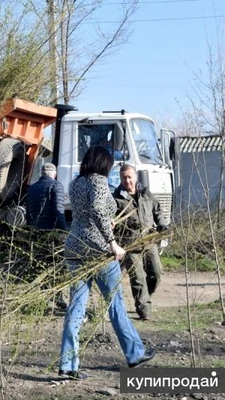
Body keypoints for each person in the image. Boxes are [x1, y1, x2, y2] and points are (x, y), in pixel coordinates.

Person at [59, 146, 154, 380]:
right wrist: (112, 243)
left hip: (75, 248)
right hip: (99, 251)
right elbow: (98, 212)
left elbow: (86, 214)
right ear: (103, 164)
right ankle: (134, 354)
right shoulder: (99, 182)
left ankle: (67, 364)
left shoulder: (75, 183)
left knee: (76, 308)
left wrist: (106, 222)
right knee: (115, 305)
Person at [113, 164, 169, 321]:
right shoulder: (117, 198)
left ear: (135, 177)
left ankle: (146, 298)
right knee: (138, 278)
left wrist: (162, 224)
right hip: (130, 245)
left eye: (130, 177)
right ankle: (144, 311)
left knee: (156, 273)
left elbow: (157, 210)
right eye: (124, 178)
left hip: (149, 241)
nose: (127, 181)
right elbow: (111, 220)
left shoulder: (146, 193)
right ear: (120, 178)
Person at [26, 162, 67, 308]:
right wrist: (63, 231)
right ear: (54, 173)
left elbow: (28, 213)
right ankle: (58, 296)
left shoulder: (31, 189)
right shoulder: (56, 186)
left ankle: (43, 297)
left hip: (36, 234)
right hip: (52, 233)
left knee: (40, 266)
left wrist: (31, 230)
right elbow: (58, 210)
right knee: (57, 266)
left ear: (42, 173)